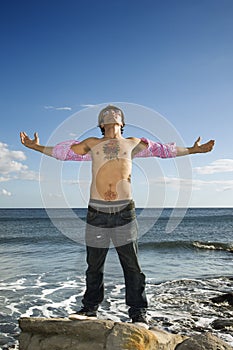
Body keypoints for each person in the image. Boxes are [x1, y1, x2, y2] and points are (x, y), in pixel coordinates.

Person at [20, 105, 215, 328]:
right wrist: (35, 148)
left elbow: (164, 151)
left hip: (124, 212)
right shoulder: (92, 143)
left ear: (122, 122)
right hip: (96, 212)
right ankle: (89, 309)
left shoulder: (132, 143)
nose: (111, 112)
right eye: (106, 113)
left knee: (132, 265)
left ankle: (138, 313)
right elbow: (61, 153)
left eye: (116, 112)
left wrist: (193, 150)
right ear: (101, 123)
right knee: (94, 265)